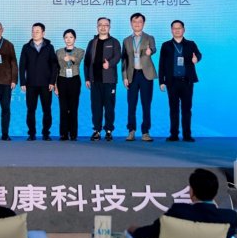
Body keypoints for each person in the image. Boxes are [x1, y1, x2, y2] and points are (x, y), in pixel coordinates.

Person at [128, 168, 237, 238]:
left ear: (192, 192)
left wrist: (133, 230)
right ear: (215, 192)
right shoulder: (229, 217)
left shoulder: (177, 211)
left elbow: (147, 235)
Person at [158, 20, 202, 142]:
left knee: (187, 109)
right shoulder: (166, 45)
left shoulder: (190, 44)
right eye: (174, 28)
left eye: (179, 28)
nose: (177, 30)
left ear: (184, 29)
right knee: (173, 109)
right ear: (171, 30)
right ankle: (174, 134)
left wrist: (196, 59)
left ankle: (187, 135)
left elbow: (198, 54)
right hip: (172, 82)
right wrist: (161, 81)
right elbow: (161, 64)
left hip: (187, 81)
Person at [83, 17, 121, 141]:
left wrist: (109, 64)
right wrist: (87, 78)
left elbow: (118, 56)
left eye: (106, 25)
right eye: (100, 25)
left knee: (109, 107)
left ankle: (109, 131)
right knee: (96, 107)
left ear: (109, 27)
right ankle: (97, 130)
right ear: (97, 27)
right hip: (95, 81)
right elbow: (87, 61)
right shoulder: (92, 42)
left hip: (109, 81)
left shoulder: (114, 42)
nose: (103, 27)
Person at [19, 22, 58, 141]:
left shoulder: (49, 47)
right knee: (31, 110)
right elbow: (22, 65)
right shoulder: (26, 47)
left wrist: (52, 82)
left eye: (37, 31)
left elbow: (54, 66)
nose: (34, 33)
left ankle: (46, 133)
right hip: (30, 84)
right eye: (33, 31)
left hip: (46, 84)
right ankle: (31, 134)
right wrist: (23, 82)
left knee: (47, 110)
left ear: (43, 33)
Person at [121, 13, 157, 142]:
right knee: (131, 104)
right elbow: (124, 60)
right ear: (131, 23)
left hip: (146, 74)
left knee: (146, 104)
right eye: (134, 22)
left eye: (140, 21)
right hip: (132, 75)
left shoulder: (149, 38)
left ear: (143, 23)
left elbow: (153, 48)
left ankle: (145, 132)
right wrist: (125, 77)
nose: (137, 24)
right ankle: (131, 131)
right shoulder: (126, 40)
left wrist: (150, 51)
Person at [55, 29, 84, 141]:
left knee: (73, 108)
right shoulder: (58, 52)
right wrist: (55, 84)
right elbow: (56, 68)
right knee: (63, 108)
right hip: (62, 79)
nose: (68, 39)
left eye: (71, 37)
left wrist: (71, 58)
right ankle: (63, 133)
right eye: (66, 37)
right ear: (64, 39)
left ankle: (73, 133)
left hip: (74, 80)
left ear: (75, 39)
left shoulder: (80, 51)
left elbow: (78, 61)